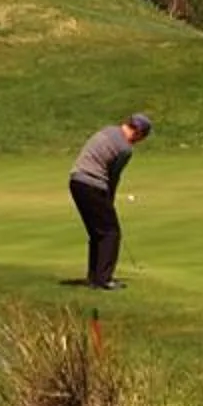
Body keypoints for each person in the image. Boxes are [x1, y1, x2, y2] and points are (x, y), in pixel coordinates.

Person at [68, 113, 152, 289]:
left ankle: (94, 277)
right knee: (110, 233)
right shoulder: (125, 149)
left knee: (97, 233)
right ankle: (104, 279)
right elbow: (113, 176)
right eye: (141, 137)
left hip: (76, 181)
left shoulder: (108, 130)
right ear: (138, 132)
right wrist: (109, 199)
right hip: (93, 184)